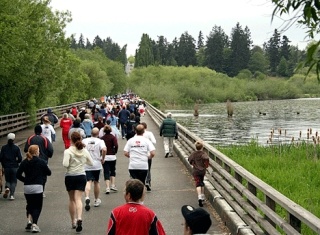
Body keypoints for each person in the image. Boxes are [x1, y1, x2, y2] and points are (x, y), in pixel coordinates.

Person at [17, 145, 52, 233]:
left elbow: (18, 174)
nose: (39, 152)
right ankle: (34, 224)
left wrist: (25, 180)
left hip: (27, 187)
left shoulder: (24, 162)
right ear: (36, 152)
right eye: (38, 151)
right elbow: (49, 173)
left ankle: (29, 220)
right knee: (37, 206)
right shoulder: (41, 162)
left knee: (29, 204)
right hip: (38, 186)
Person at [63, 131, 93, 232]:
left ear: (71, 139)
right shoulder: (84, 151)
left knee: (71, 199)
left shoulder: (68, 151)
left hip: (70, 176)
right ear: (80, 138)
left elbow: (65, 164)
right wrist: (82, 162)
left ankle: (73, 221)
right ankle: (79, 217)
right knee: (78, 199)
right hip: (81, 175)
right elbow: (91, 163)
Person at [82, 128, 106, 211]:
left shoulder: (85, 140)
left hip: (87, 164)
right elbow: (104, 149)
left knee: (88, 181)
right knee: (96, 182)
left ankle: (87, 197)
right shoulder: (100, 141)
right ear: (98, 134)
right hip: (96, 164)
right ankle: (96, 200)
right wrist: (103, 158)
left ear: (91, 133)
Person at [0, 133, 23, 200]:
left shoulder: (3, 148)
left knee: (8, 179)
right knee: (13, 181)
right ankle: (11, 195)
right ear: (14, 139)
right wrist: (17, 162)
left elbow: (1, 157)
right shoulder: (16, 148)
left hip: (6, 167)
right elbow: (20, 158)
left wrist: (3, 165)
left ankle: (7, 187)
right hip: (14, 166)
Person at [188, 141, 209, 207]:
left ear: (195, 147)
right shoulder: (203, 153)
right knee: (201, 182)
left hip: (196, 171)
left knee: (198, 183)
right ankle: (202, 197)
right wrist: (205, 165)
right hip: (202, 171)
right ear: (202, 147)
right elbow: (206, 158)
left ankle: (199, 197)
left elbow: (189, 159)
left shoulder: (193, 154)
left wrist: (193, 163)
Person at [100, 125, 118, 194]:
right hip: (112, 156)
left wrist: (101, 154)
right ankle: (112, 185)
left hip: (105, 157)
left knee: (106, 171)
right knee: (113, 170)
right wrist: (115, 151)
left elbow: (100, 148)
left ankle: (107, 187)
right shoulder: (113, 137)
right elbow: (116, 145)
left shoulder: (102, 138)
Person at [141, 122, 156, 192]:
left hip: (140, 154)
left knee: (141, 169)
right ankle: (147, 181)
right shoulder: (149, 133)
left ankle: (141, 182)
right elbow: (154, 141)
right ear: (146, 127)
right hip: (148, 154)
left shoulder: (137, 135)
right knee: (148, 168)